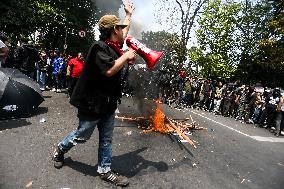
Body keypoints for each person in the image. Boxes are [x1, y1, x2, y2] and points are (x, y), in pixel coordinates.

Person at [52, 2, 135, 187]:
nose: (124, 32)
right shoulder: (99, 48)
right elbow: (109, 70)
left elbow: (124, 33)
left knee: (106, 139)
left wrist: (128, 15)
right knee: (82, 135)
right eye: (121, 28)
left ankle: (105, 170)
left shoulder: (115, 45)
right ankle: (60, 149)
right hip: (93, 103)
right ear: (114, 30)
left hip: (108, 103)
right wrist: (126, 56)